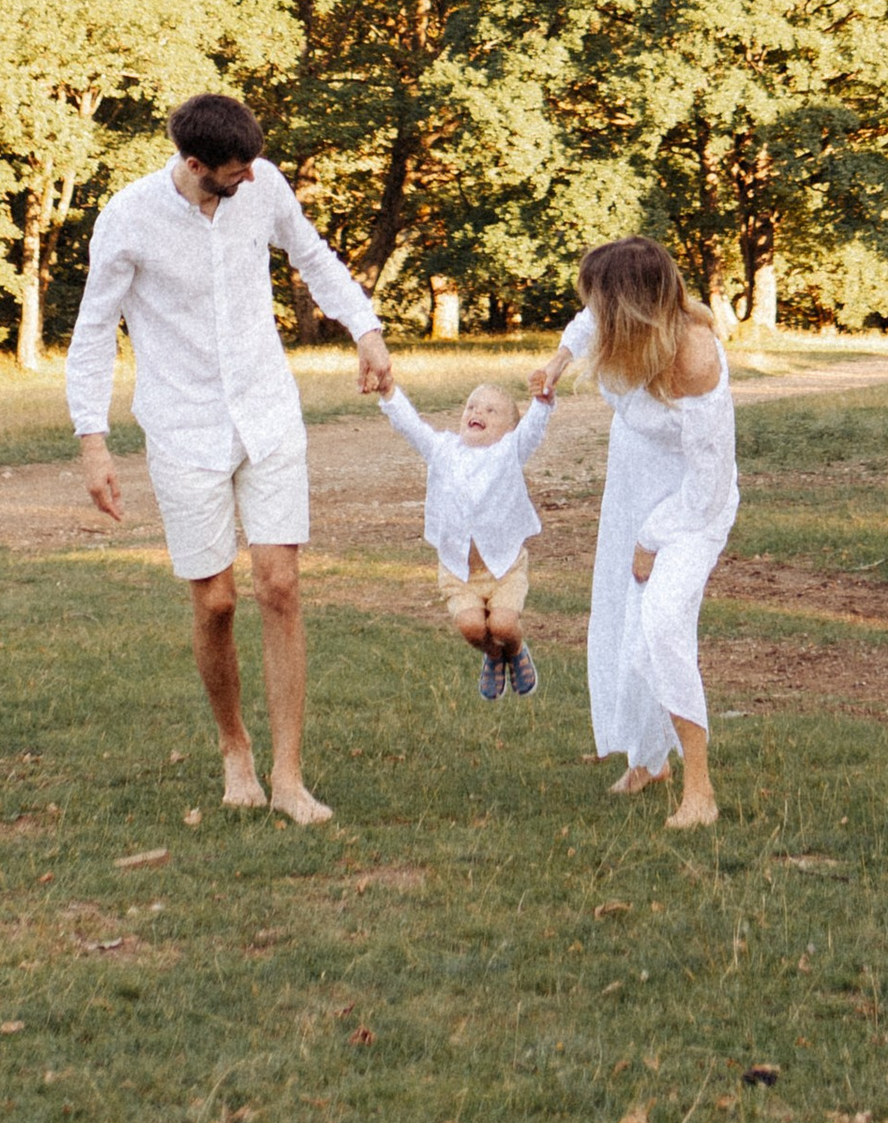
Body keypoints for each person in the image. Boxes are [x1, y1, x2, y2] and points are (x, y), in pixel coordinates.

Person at [68, 92, 394, 824]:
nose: (251, 180)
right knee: (216, 599)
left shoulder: (264, 182)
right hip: (184, 426)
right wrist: (94, 442)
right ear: (193, 165)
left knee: (280, 584)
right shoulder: (128, 216)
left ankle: (288, 776)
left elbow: (314, 255)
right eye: (234, 171)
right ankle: (234, 747)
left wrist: (365, 330)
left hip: (267, 412)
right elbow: (93, 332)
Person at [532, 238, 737, 829]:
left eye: (602, 301)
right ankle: (649, 761)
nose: (594, 312)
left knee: (662, 622)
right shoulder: (612, 324)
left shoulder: (693, 356)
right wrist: (556, 362)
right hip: (633, 480)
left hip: (691, 503)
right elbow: (583, 323)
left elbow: (711, 482)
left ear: (633, 307)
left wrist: (651, 537)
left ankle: (699, 789)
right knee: (624, 617)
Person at [380, 373, 552, 699]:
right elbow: (411, 426)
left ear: (509, 429)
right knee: (473, 628)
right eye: (472, 406)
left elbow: (532, 430)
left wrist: (542, 402)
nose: (477, 413)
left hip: (504, 568)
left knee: (502, 624)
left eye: (491, 411)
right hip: (459, 572)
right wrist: (389, 392)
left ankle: (514, 647)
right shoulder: (442, 449)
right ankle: (493, 653)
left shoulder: (509, 451)